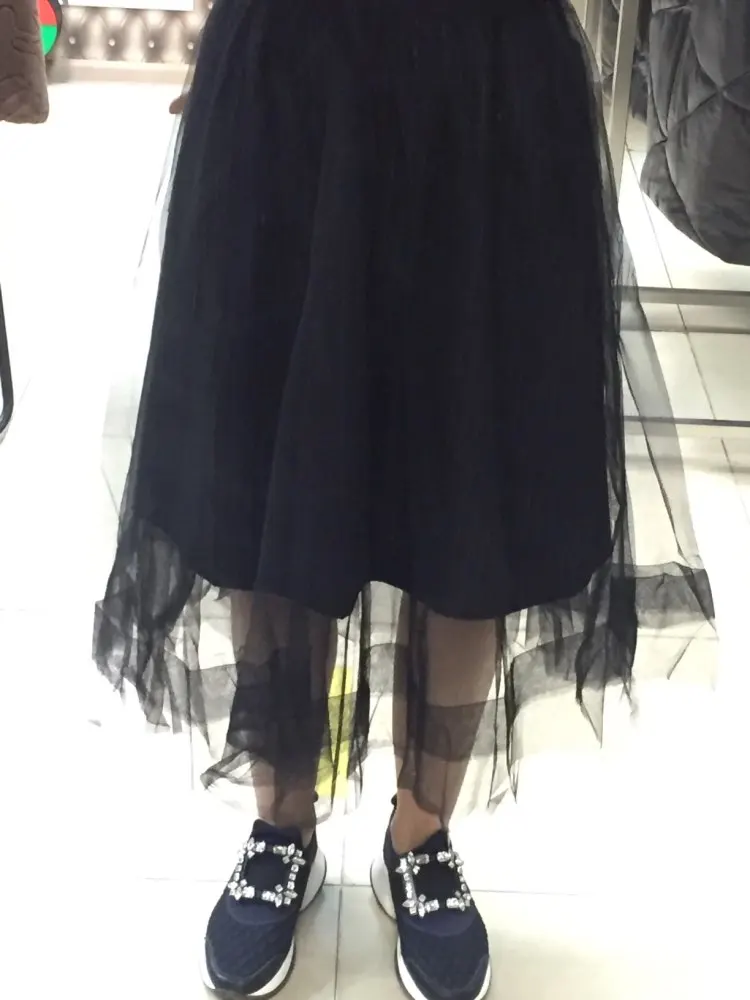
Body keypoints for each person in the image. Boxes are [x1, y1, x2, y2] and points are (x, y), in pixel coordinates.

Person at [94, 1, 714, 998]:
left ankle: (421, 832)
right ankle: (282, 823)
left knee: (472, 489)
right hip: (288, 72)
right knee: (267, 485)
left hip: (488, 79)